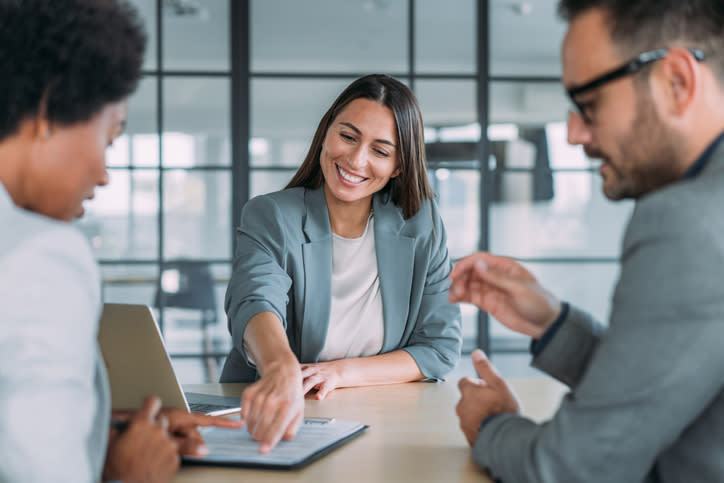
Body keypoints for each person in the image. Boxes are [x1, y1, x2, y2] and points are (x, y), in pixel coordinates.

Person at [450, 0, 724, 481]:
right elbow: (662, 388)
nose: (574, 134)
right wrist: (552, 322)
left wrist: (491, 424)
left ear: (677, 81)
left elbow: (572, 467)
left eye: (589, 105)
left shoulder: (686, 221)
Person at [0, 1, 240, 482]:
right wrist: (130, 474)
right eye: (108, 137)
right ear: (47, 110)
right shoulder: (39, 257)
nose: (105, 174)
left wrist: (92, 441)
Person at [221, 74, 462, 452]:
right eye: (348, 137)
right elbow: (254, 299)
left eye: (380, 151)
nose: (355, 159)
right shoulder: (271, 215)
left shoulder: (422, 225)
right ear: (326, 133)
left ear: (399, 166)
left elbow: (439, 349)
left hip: (387, 420)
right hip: (280, 418)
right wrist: (280, 366)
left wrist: (341, 373)